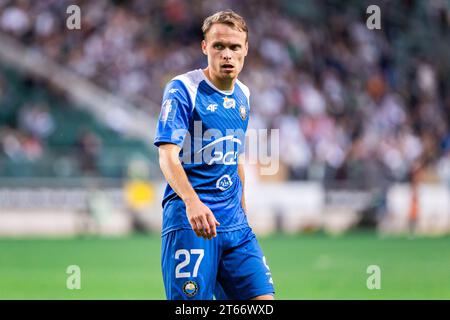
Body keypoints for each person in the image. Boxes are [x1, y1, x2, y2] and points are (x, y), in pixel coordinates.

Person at [154, 10, 275, 300]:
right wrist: (192, 202)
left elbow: (235, 156)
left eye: (234, 47)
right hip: (191, 222)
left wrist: (243, 208)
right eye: (219, 46)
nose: (227, 55)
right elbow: (167, 156)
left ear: (246, 49)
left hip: (235, 226)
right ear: (205, 47)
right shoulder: (183, 89)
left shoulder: (243, 94)